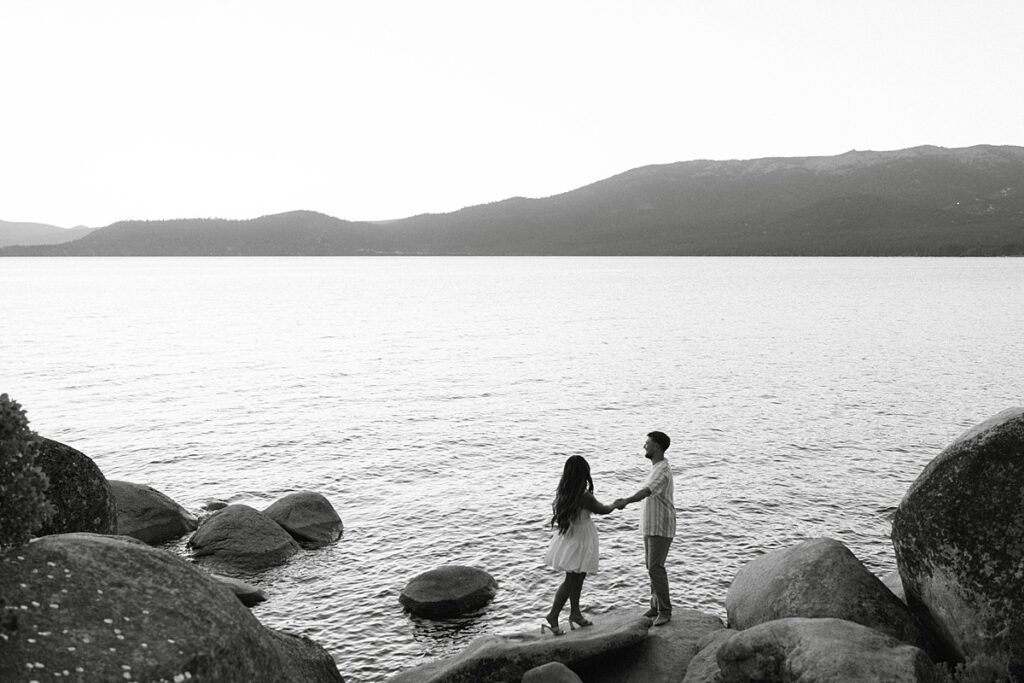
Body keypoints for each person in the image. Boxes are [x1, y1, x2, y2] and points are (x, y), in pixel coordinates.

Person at [542, 454, 623, 636]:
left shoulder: (565, 491)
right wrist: (615, 504)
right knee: (572, 579)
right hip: (581, 538)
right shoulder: (584, 495)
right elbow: (602, 509)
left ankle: (575, 614)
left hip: (572, 536)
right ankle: (553, 615)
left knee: (578, 576)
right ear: (583, 473)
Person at [615, 431, 676, 626]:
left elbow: (646, 491)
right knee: (651, 567)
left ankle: (665, 611)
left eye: (647, 443)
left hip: (660, 525)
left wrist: (626, 500)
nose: (644, 446)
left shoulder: (661, 470)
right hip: (652, 525)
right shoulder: (657, 467)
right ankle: (655, 604)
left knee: (655, 567)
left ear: (656, 446)